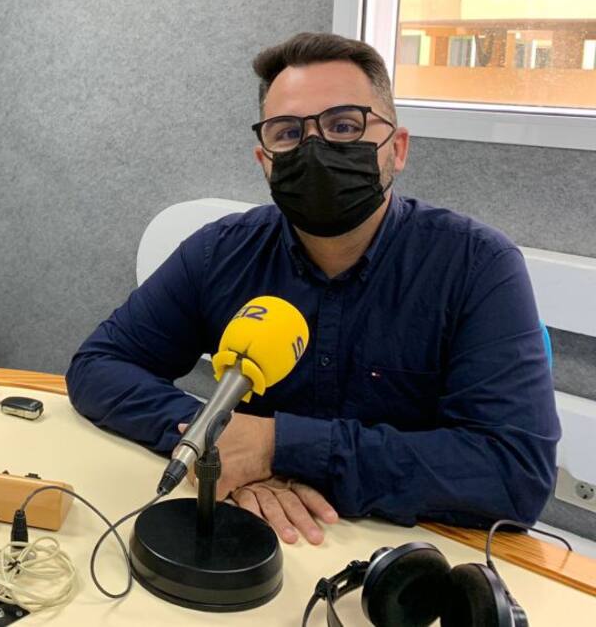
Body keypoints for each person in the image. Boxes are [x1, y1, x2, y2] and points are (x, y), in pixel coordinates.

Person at [66, 32, 559, 545]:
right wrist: (216, 439)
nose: (315, 148)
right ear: (264, 160)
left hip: (406, 555)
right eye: (287, 133)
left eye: (344, 126)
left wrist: (278, 447)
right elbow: (99, 365)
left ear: (398, 148)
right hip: (255, 534)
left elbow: (513, 472)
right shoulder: (220, 253)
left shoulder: (478, 266)